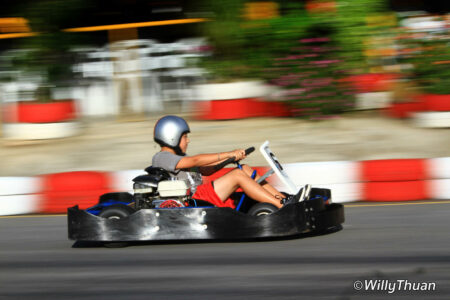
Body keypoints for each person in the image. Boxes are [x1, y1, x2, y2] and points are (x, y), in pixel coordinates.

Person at [151, 115, 307, 209]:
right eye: (185, 137)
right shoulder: (162, 157)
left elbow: (206, 171)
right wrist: (228, 153)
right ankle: (281, 206)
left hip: (201, 194)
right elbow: (195, 160)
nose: (188, 140)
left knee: (243, 168)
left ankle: (284, 199)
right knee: (238, 175)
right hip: (191, 200)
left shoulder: (179, 158)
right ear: (171, 136)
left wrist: (229, 160)